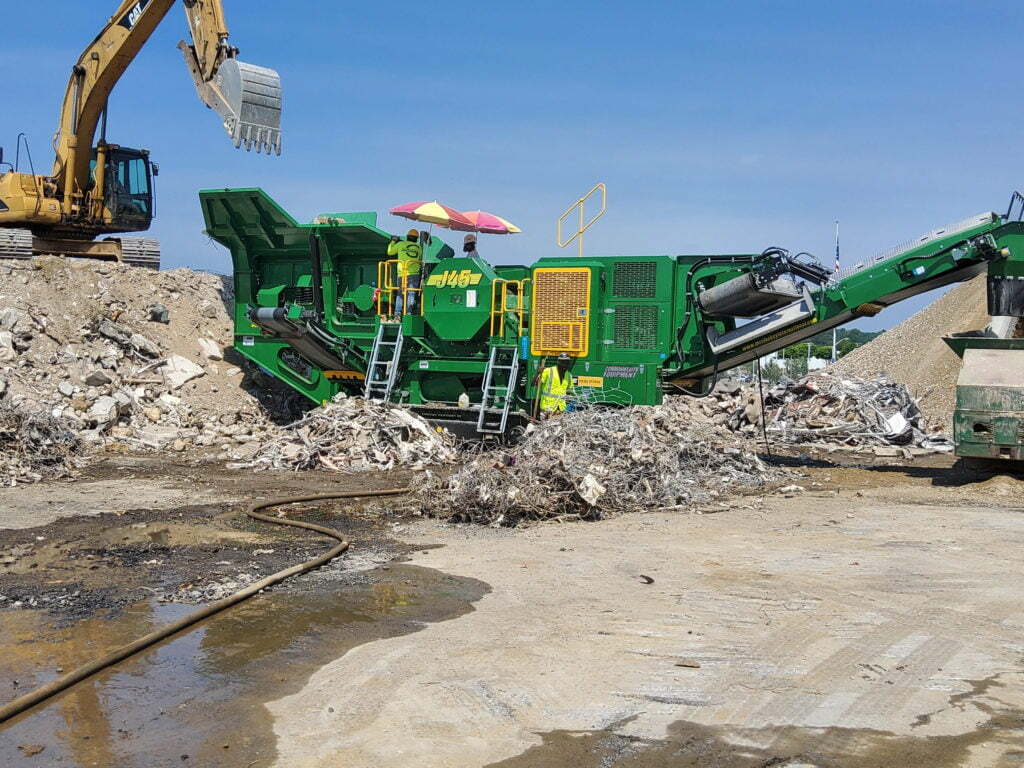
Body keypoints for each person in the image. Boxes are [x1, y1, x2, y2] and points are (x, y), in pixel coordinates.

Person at [387, 229, 423, 318]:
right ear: (417, 239)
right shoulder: (419, 248)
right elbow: (420, 258)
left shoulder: (400, 244)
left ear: (407, 237)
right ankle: (409, 313)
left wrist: (393, 241)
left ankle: (397, 314)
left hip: (402, 274)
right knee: (411, 293)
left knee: (400, 293)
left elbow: (390, 252)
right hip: (414, 274)